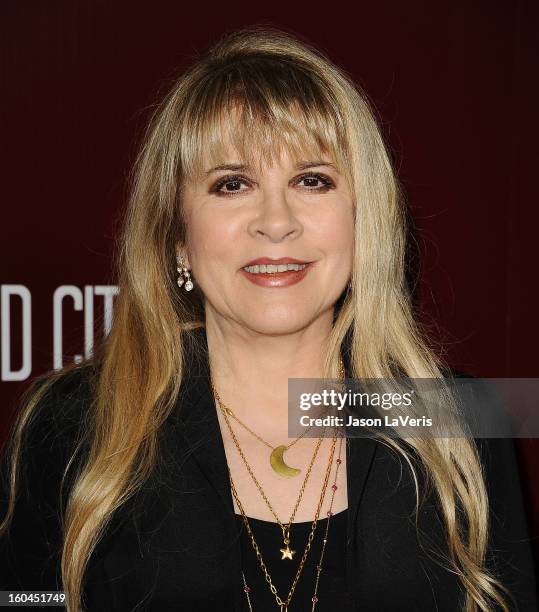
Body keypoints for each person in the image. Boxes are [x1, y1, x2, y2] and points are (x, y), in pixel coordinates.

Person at [0, 26, 536, 612]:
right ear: (178, 235)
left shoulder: (458, 420)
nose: (275, 221)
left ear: (364, 220)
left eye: (313, 181)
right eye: (232, 184)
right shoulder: (75, 424)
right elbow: (27, 599)